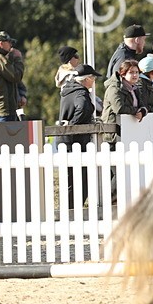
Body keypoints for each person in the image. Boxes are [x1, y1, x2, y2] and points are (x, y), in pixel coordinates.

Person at [58, 63, 101, 211]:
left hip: (66, 140)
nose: (94, 80)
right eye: (93, 77)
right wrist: (74, 124)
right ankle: (73, 210)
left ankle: (70, 209)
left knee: (71, 178)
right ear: (86, 79)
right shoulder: (80, 92)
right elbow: (82, 108)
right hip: (76, 140)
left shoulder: (68, 89)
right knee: (80, 179)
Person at [101, 60, 147, 145]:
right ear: (123, 74)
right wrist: (136, 111)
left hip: (129, 130)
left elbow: (142, 105)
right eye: (131, 72)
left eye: (137, 72)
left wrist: (142, 112)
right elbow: (119, 108)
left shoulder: (135, 88)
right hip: (113, 133)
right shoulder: (114, 88)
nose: (135, 75)